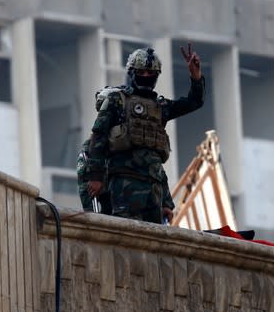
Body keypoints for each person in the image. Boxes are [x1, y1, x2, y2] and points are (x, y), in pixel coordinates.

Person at [85, 43, 204, 223]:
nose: (146, 76)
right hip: (123, 181)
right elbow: (98, 136)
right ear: (132, 73)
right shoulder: (117, 100)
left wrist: (195, 76)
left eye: (150, 73)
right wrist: (95, 177)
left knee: (154, 239)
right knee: (125, 233)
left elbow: (194, 102)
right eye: (141, 72)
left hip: (153, 186)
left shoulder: (160, 107)